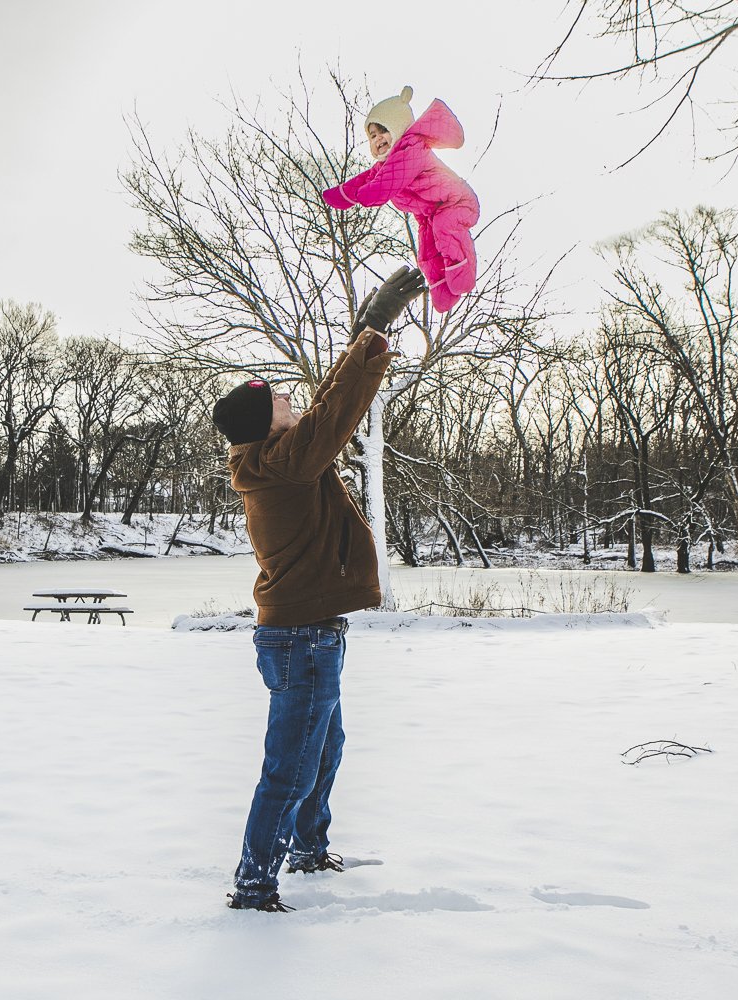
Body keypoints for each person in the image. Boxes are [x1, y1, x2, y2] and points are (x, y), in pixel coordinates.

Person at [212, 265, 427, 913]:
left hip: (303, 634)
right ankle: (254, 885)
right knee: (293, 766)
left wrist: (367, 331)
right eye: (277, 399)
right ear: (262, 423)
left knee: (323, 746)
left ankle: (308, 846)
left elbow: (324, 401)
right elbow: (335, 411)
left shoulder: (276, 458)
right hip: (302, 639)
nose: (289, 400)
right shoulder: (282, 463)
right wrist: (378, 328)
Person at [321, 87, 480, 314]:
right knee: (425, 253)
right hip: (431, 214)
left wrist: (365, 195)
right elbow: (365, 180)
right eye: (372, 136)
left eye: (382, 132)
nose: (377, 139)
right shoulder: (385, 166)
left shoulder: (412, 148)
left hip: (457, 203)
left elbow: (384, 186)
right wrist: (343, 195)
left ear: (397, 127)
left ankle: (463, 277)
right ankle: (444, 292)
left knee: (446, 229)